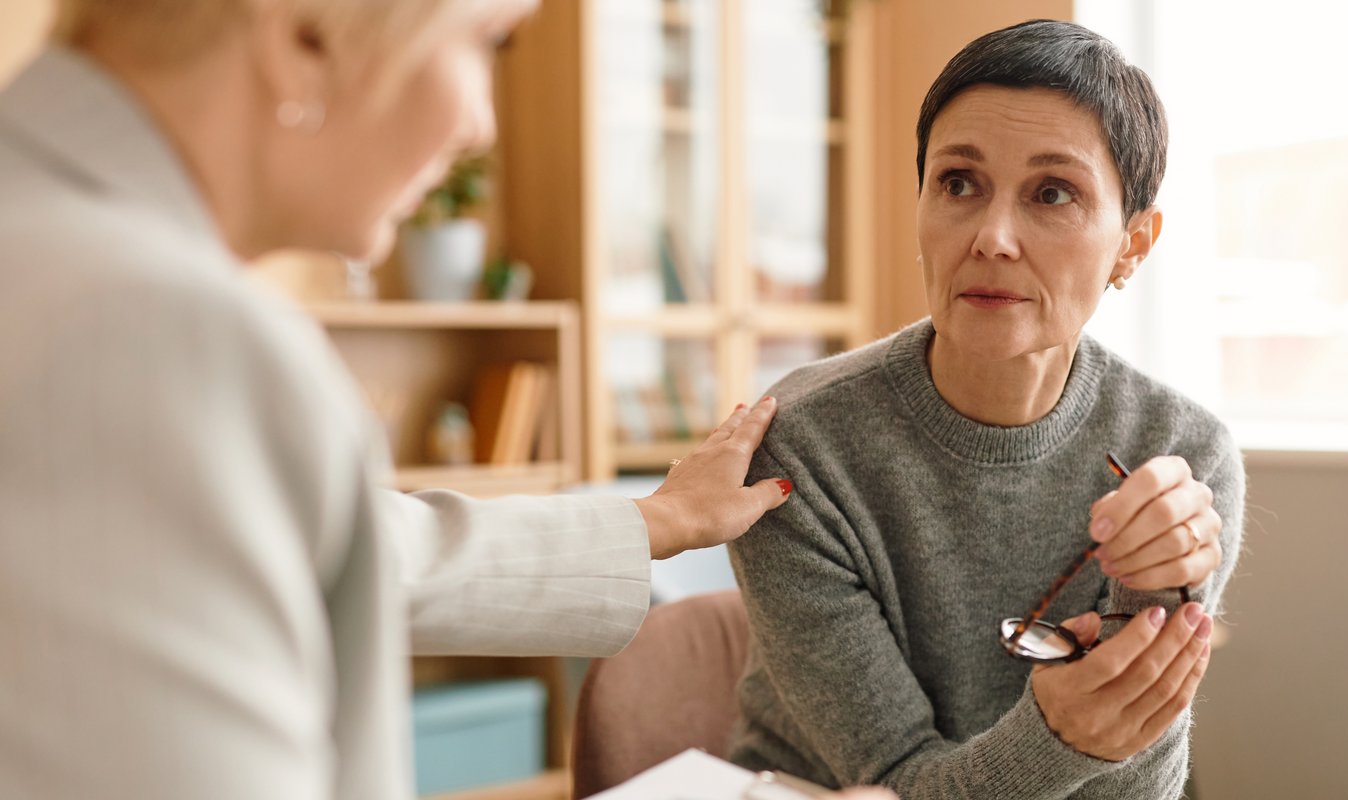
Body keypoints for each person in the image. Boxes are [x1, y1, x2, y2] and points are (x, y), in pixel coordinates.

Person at [0, 1, 899, 798]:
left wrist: (654, 521)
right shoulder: (153, 335)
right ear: (307, 34)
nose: (479, 126)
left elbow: (367, 547)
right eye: (485, 43)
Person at [726, 19, 1245, 799]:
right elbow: (896, 785)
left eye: (1053, 193)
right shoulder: (800, 448)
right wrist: (1065, 740)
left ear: (1133, 244)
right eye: (959, 183)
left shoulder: (1181, 455)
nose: (993, 237)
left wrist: (1152, 597)